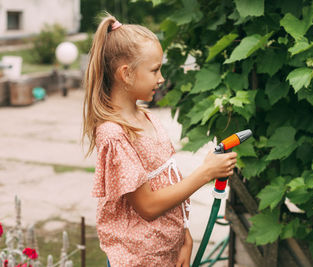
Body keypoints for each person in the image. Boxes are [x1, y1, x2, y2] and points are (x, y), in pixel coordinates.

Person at [82, 13, 237, 267]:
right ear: (126, 74)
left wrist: (184, 239)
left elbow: (166, 184)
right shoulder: (115, 135)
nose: (162, 78)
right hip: (138, 260)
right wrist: (206, 172)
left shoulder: (146, 117)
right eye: (155, 70)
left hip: (165, 254)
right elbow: (148, 205)